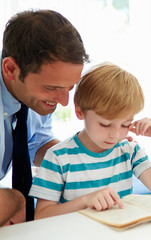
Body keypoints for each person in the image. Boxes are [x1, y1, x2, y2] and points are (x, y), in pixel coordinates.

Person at [29, 63, 151, 219]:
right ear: (79, 111)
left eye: (125, 124)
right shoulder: (58, 157)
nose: (115, 135)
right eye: (105, 124)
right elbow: (41, 216)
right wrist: (85, 200)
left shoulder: (129, 150)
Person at [0, 9, 88, 224]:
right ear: (11, 69)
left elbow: (35, 143)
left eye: (70, 87)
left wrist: (87, 155)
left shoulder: (34, 99)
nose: (63, 100)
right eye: (51, 88)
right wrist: (15, 201)